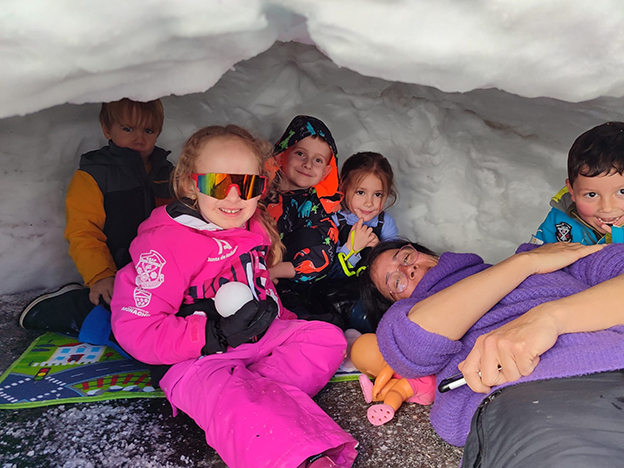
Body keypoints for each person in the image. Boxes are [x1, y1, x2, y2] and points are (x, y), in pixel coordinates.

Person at [110, 125, 357, 468]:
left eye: (248, 184)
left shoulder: (251, 226)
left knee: (325, 339)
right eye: (218, 183)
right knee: (223, 391)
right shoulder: (166, 244)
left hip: (255, 342)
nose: (233, 196)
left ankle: (246, 399)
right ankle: (291, 454)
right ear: (189, 184)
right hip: (197, 360)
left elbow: (259, 284)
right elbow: (136, 330)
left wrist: (279, 321)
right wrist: (212, 335)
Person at [360, 239, 624, 466]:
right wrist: (524, 264)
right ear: (395, 302)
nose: (408, 269)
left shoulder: (546, 254)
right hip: (534, 398)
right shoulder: (408, 313)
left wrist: (550, 318)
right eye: (396, 280)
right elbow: (416, 344)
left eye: (405, 257)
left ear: (430, 253)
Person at [20, 98, 173, 344]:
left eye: (148, 130)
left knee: (165, 323)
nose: (139, 139)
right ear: (106, 128)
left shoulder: (166, 174)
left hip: (156, 272)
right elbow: (84, 231)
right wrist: (101, 275)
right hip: (115, 272)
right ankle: (68, 307)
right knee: (117, 327)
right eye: (128, 129)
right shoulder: (94, 174)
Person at [263, 115, 342, 320]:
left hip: (286, 284)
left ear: (326, 172)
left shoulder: (316, 207)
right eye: (300, 154)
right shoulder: (259, 190)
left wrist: (276, 271)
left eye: (317, 160)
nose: (307, 164)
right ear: (282, 155)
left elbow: (323, 254)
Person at [532, 121, 624, 245]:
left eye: (622, 192)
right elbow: (532, 257)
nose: (607, 208)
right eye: (591, 194)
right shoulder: (561, 218)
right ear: (572, 190)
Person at [330, 151, 399, 278]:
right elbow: (326, 269)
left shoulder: (385, 223)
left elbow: (395, 262)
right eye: (360, 192)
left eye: (378, 194)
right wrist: (351, 248)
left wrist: (378, 249)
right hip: (338, 288)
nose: (369, 203)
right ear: (343, 188)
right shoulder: (334, 220)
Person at [350, 333, 435, 426]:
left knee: (396, 391)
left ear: (370, 372)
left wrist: (377, 387)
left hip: (422, 381)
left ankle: (389, 407)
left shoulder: (392, 363)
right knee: (393, 385)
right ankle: (373, 396)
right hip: (424, 389)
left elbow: (384, 374)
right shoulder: (398, 355)